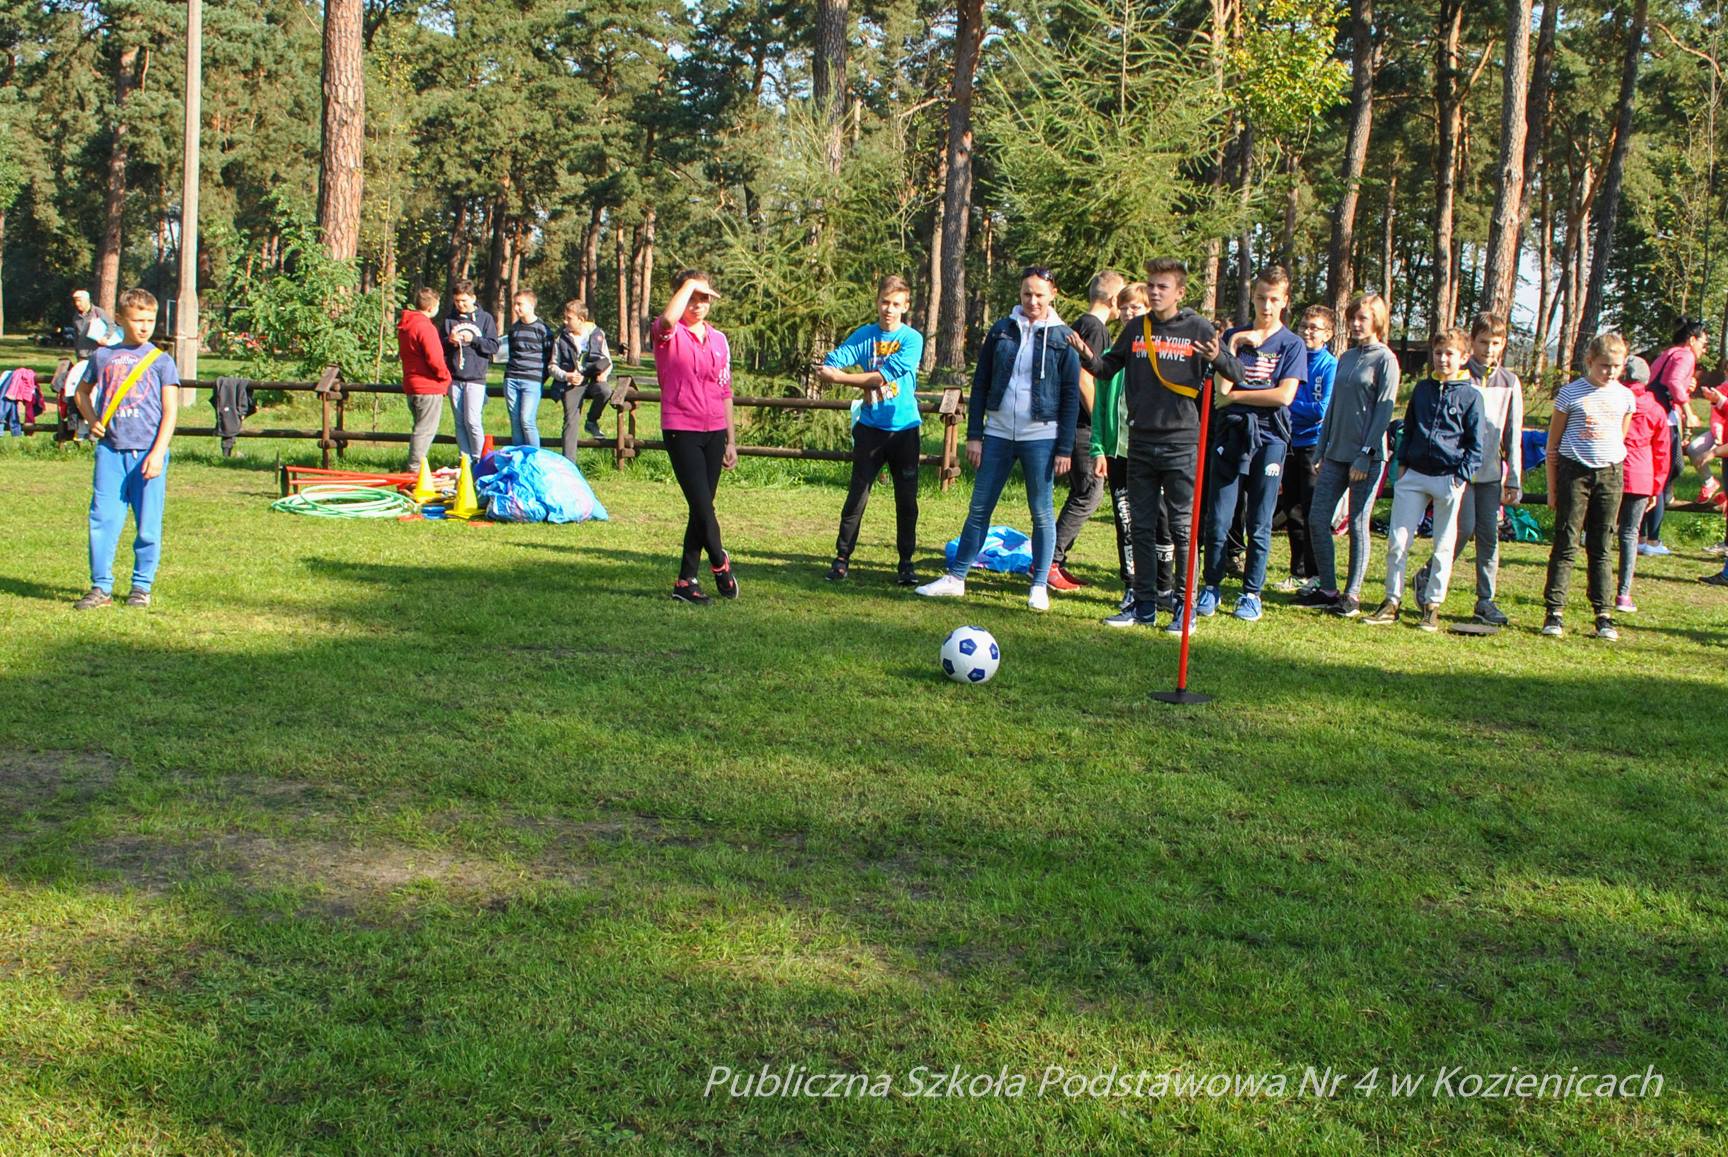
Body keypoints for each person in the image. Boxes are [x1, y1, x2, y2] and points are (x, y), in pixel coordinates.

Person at [1074, 258, 1242, 630]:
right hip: (1140, 443)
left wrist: (1216, 357)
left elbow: (1238, 372)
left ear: (1179, 292)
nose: (1154, 292)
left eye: (1162, 286)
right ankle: (1145, 605)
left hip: (1181, 444)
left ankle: (1185, 607)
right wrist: (1086, 355)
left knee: (1182, 529)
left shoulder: (1197, 328)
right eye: (1150, 285)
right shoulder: (1136, 328)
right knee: (1141, 527)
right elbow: (1106, 369)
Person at [917, 266, 1080, 612]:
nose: (1032, 301)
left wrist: (1064, 447)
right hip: (998, 433)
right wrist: (975, 435)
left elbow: (1070, 396)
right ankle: (956, 577)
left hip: (1042, 436)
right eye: (1026, 294)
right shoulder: (1001, 330)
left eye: (1039, 295)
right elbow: (980, 384)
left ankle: (1039, 585)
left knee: (1041, 512)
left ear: (1053, 295)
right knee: (979, 507)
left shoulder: (1064, 337)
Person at [1198, 264, 1307, 623]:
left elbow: (1284, 396)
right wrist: (1231, 346)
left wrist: (1239, 396)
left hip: (1270, 438)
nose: (1266, 305)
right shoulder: (1235, 336)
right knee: (1219, 517)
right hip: (1230, 435)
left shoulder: (1292, 344)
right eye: (1261, 298)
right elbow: (1221, 392)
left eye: (1274, 299)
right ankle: (1211, 586)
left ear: (1285, 301)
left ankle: (1251, 593)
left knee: (1259, 521)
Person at [1363, 329, 1482, 631]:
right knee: (1397, 541)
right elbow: (1410, 427)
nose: (1443, 359)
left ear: (1464, 357)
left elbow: (1475, 444)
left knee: (1443, 545)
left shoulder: (1471, 396)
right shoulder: (1422, 389)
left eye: (1450, 354)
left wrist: (1461, 476)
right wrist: (1403, 463)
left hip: (1448, 477)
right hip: (1414, 474)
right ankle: (1391, 601)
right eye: (1438, 353)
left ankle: (1432, 605)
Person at [1412, 312, 1525, 625]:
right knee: (1462, 530)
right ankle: (1428, 576)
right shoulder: (1458, 378)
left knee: (1489, 536)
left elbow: (1513, 433)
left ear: (1503, 345)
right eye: (1483, 342)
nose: (1489, 349)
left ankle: (1485, 600)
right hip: (1458, 471)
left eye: (1495, 343)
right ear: (1472, 343)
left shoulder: (1509, 382)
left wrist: (1514, 477)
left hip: (1490, 473)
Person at [71, 288, 180, 610]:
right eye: (137, 320)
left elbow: (170, 411)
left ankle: (141, 587)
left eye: (150, 320)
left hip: (148, 453)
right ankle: (100, 587)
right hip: (111, 452)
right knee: (102, 520)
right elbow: (81, 392)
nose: (144, 327)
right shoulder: (103, 357)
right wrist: (92, 420)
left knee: (148, 525)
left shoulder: (162, 361)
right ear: (120, 320)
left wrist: (158, 453)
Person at [816, 275, 926, 585]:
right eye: (884, 302)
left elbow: (883, 376)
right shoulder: (865, 335)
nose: (889, 309)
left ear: (905, 306)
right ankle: (841, 558)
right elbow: (833, 360)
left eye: (896, 304)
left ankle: (906, 563)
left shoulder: (912, 339)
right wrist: (830, 369)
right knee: (857, 496)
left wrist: (841, 379)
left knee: (907, 501)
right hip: (870, 429)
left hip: (904, 429)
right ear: (877, 302)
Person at [1298, 295, 1400, 618]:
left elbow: (1384, 411)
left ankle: (1352, 595)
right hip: (1335, 454)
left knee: (1357, 523)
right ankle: (1328, 589)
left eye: (1362, 318)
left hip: (1366, 458)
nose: (1356, 324)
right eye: (1352, 318)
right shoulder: (1346, 357)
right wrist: (1321, 448)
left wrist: (1366, 454)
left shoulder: (1386, 360)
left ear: (1377, 321)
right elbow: (1332, 409)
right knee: (1317, 518)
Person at [1541, 333, 1635, 639]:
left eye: (1616, 366)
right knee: (1567, 542)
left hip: (1610, 474)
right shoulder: (1570, 394)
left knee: (1602, 544)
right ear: (1590, 361)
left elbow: (1620, 437)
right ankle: (1555, 611)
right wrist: (1553, 488)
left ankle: (1603, 613)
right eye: (1604, 365)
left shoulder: (1625, 397)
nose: (1610, 372)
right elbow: (1553, 446)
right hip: (1574, 472)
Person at [653, 270, 738, 604]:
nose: (699, 305)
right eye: (692, 298)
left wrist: (731, 440)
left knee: (701, 508)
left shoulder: (718, 339)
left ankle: (686, 581)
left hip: (714, 429)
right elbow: (666, 321)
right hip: (681, 428)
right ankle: (719, 562)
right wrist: (689, 284)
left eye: (704, 298)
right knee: (702, 505)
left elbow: (725, 389)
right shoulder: (668, 333)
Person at [1048, 270, 1125, 591]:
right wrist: (1100, 423)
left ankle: (1055, 561)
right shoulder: (1095, 328)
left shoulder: (1083, 324)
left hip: (1074, 424)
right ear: (1113, 299)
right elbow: (1084, 378)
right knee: (1089, 493)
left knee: (1084, 492)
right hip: (1082, 425)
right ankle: (1049, 562)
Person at [1084, 281, 1151, 620]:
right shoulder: (1113, 357)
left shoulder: (1156, 355)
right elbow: (1099, 409)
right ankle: (1131, 584)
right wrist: (1098, 448)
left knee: (1157, 523)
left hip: (1151, 455)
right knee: (1125, 521)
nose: (1127, 313)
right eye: (1123, 308)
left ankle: (1161, 588)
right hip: (1117, 453)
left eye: (1135, 308)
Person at [1273, 305, 1335, 593]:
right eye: (1303, 326)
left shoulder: (1329, 365)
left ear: (1328, 334)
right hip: (1288, 441)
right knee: (1292, 509)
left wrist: (1286, 401)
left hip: (1314, 445)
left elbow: (1321, 410)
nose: (1307, 332)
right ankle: (1298, 571)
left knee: (1312, 511)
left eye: (1314, 328)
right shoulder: (1291, 358)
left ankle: (1316, 573)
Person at [1640, 319, 1706, 555]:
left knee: (1659, 473)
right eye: (1703, 343)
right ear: (1692, 340)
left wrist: (1687, 386)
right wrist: (1689, 411)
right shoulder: (1686, 355)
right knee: (1666, 472)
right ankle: (1652, 541)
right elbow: (1673, 382)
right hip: (1664, 419)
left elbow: (1662, 381)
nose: (1704, 349)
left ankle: (1640, 536)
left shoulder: (1667, 353)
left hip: (1652, 414)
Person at [1616, 355, 1670, 613]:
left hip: (1611, 472)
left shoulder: (1614, 400)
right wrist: (1656, 488)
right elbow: (1662, 452)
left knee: (1602, 531)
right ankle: (1623, 593)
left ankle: (1598, 588)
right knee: (1630, 534)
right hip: (1641, 477)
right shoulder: (1656, 409)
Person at [441, 279, 500, 460]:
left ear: (473, 298)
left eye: (464, 301)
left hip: (476, 377)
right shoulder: (449, 320)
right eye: (457, 301)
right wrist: (449, 341)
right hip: (455, 378)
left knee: (473, 421)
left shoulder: (485, 319)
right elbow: (440, 346)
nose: (460, 305)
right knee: (459, 422)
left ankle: (480, 458)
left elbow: (493, 346)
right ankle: (464, 459)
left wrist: (473, 340)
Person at [397, 286, 452, 471]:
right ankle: (414, 469)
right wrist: (445, 377)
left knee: (420, 427)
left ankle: (416, 466)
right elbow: (435, 358)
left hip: (412, 383)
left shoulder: (406, 325)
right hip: (428, 385)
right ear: (432, 307)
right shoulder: (425, 327)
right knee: (425, 430)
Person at [551, 299, 614, 452]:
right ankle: (569, 462)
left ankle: (591, 421)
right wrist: (567, 376)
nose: (565, 321)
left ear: (581, 319)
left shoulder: (597, 334)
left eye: (569, 318)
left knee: (605, 391)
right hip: (572, 383)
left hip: (593, 380)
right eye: (564, 317)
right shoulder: (560, 339)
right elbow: (552, 366)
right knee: (570, 422)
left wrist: (604, 374)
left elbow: (608, 360)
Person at [503, 289, 555, 449]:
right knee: (515, 421)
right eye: (515, 304)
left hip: (532, 381)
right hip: (512, 379)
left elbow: (549, 357)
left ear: (531, 305)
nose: (516, 308)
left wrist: (539, 378)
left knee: (527, 420)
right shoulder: (514, 329)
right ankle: (519, 455)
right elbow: (512, 353)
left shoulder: (543, 330)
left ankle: (533, 456)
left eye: (520, 304)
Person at [70, 289, 117, 360]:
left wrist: (105, 337)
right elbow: (76, 336)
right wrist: (77, 352)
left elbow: (112, 325)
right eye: (75, 301)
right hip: (82, 355)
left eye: (79, 301)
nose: (77, 304)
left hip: (97, 354)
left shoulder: (98, 312)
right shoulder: (76, 316)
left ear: (87, 300)